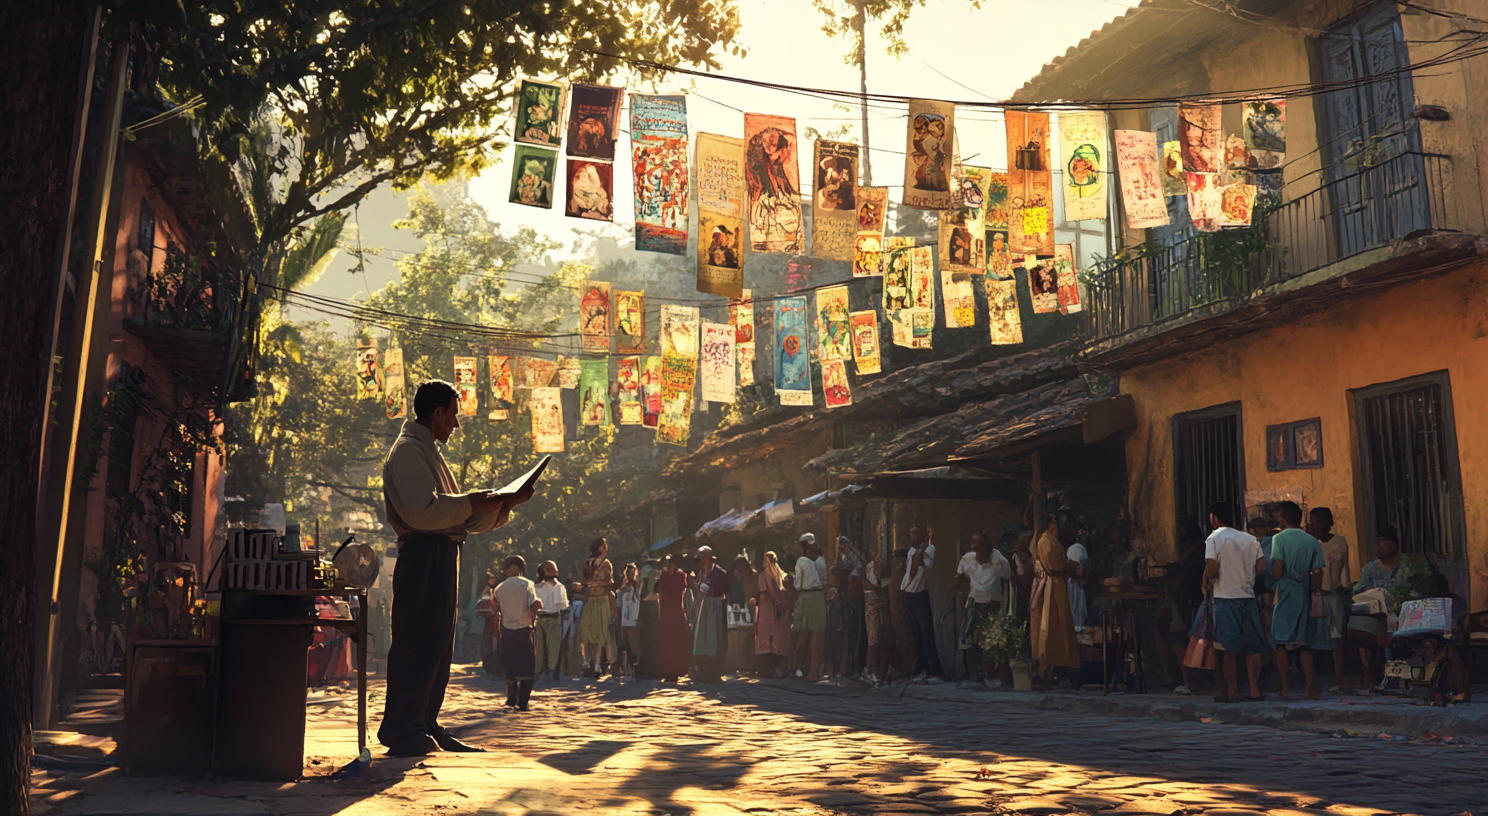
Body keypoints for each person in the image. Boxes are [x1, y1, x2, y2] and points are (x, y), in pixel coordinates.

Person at [377, 380, 533, 756]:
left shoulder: (427, 452)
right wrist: (470, 502)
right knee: (417, 643)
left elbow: (459, 520)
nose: (455, 425)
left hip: (442, 553)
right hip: (422, 555)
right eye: (453, 416)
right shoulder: (408, 452)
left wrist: (506, 504)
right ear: (437, 414)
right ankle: (403, 728)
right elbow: (424, 513)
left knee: (437, 647)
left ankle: (425, 723)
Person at [1203, 501, 1268, 703]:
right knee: (1252, 647)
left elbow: (1212, 568)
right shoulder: (1250, 539)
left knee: (1227, 648)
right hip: (1248, 597)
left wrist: (1205, 580)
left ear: (1214, 517)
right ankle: (1255, 690)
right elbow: (1261, 567)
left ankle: (1232, 691)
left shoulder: (1214, 538)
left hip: (1225, 597)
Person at [1269, 501, 1331, 700]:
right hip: (1305, 591)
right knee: (1305, 644)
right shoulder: (1312, 541)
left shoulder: (1278, 539)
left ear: (1283, 517)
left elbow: (1277, 570)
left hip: (1287, 590)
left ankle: (1285, 686)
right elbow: (1317, 573)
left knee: (1280, 641)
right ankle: (1311, 687)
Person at [1347, 527, 1413, 688]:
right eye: (1377, 543)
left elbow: (1412, 590)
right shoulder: (1370, 569)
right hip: (1374, 612)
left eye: (1383, 542)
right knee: (1358, 628)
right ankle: (1370, 672)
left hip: (1399, 611)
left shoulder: (1407, 566)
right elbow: (1361, 589)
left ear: (1394, 544)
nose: (1379, 546)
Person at [1030, 517, 1081, 690]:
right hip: (1051, 590)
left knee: (1061, 629)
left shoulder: (1051, 541)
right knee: (1053, 629)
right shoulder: (1046, 541)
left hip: (1057, 589)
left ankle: (1060, 671)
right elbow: (1056, 565)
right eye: (1054, 523)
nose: (1057, 526)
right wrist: (1074, 567)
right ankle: (1051, 671)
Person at [956, 531, 1011, 685]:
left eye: (980, 543)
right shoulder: (968, 558)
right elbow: (958, 576)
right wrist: (961, 589)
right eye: (975, 543)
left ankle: (992, 674)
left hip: (992, 604)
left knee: (992, 641)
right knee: (969, 640)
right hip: (974, 602)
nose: (977, 547)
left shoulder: (997, 558)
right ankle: (974, 675)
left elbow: (1007, 576)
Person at [1307, 507, 1351, 694]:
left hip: (1334, 595)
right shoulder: (1311, 544)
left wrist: (1346, 588)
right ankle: (1313, 682)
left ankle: (1340, 681)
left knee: (1337, 639)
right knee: (1313, 640)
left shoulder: (1339, 542)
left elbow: (1345, 569)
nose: (1312, 526)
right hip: (1317, 596)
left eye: (1315, 522)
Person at [492, 556, 542, 711]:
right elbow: (534, 605)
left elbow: (495, 613)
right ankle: (523, 702)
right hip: (524, 630)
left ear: (507, 569)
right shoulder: (528, 584)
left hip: (507, 631)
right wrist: (533, 622)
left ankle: (511, 699)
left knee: (510, 667)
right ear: (522, 568)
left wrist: (496, 637)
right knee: (527, 668)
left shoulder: (499, 588)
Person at [901, 527, 944, 683]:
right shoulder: (913, 550)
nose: (913, 537)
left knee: (926, 634)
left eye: (916, 534)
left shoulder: (929, 550)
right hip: (908, 595)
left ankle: (935, 670)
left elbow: (923, 568)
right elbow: (909, 568)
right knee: (916, 635)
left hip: (920, 596)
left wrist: (919, 554)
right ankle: (921, 668)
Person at [691, 547, 732, 682]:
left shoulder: (720, 573)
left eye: (704, 558)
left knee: (715, 636)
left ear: (710, 558)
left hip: (716, 605)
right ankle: (702, 669)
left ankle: (715, 671)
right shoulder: (702, 572)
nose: (702, 561)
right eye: (701, 558)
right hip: (706, 604)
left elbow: (726, 590)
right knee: (703, 636)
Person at [830, 536, 868, 680]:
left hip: (856, 597)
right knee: (846, 632)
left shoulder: (855, 556)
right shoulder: (842, 557)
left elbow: (853, 575)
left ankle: (856, 666)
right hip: (847, 597)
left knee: (855, 632)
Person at [792, 534, 828, 682]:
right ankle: (814, 671)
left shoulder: (801, 561)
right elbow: (824, 579)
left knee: (803, 634)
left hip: (806, 597)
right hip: (819, 597)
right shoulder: (821, 561)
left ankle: (799, 667)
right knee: (817, 635)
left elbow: (798, 584)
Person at [579, 538, 616, 677]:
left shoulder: (585, 563)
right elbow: (609, 582)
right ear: (601, 547)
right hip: (601, 599)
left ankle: (586, 662)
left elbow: (584, 582)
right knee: (601, 633)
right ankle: (597, 664)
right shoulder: (606, 563)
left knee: (587, 633)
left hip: (589, 599)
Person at [754, 551, 793, 675]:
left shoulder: (779, 575)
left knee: (776, 636)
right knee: (766, 636)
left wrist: (781, 604)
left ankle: (774, 666)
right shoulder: (764, 576)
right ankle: (765, 667)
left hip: (776, 609)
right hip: (768, 609)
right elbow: (766, 592)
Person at [656, 555, 691, 682]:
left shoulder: (664, 575)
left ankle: (667, 670)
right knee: (677, 640)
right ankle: (678, 669)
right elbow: (682, 595)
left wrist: (661, 610)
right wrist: (682, 611)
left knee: (667, 640)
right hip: (677, 609)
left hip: (666, 610)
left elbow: (660, 595)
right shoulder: (681, 574)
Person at [533, 560, 567, 682]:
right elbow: (562, 605)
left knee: (540, 647)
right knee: (553, 647)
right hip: (552, 618)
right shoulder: (558, 587)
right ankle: (551, 672)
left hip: (540, 618)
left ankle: (539, 670)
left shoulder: (536, 587)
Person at [863, 548, 893, 686]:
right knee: (873, 640)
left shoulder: (887, 570)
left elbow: (883, 585)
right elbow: (867, 584)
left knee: (885, 640)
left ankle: (882, 672)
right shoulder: (869, 568)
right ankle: (872, 671)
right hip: (872, 606)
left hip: (884, 606)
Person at [616, 563, 642, 677]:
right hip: (624, 619)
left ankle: (636, 664)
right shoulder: (623, 588)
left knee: (634, 642)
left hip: (634, 618)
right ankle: (626, 665)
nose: (631, 575)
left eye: (633, 572)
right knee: (624, 642)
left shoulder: (638, 586)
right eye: (628, 572)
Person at [476, 570, 501, 679]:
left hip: (496, 625)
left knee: (494, 648)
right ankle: (489, 670)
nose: (494, 580)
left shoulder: (496, 591)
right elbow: (480, 608)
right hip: (487, 626)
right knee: (487, 648)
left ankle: (494, 671)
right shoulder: (485, 593)